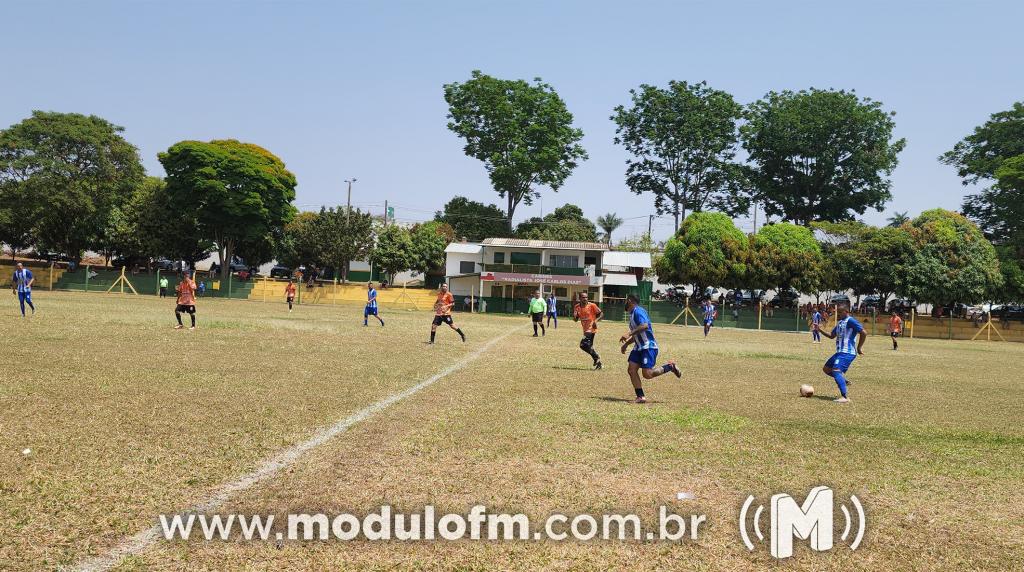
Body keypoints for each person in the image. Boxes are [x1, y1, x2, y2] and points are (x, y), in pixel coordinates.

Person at [619, 294, 681, 403]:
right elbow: (638, 333)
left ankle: (670, 366)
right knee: (631, 370)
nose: (625, 303)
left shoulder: (638, 311)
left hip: (648, 346)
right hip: (638, 347)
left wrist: (628, 333)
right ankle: (640, 397)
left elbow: (644, 326)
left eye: (625, 300)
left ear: (629, 300)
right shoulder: (633, 314)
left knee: (647, 374)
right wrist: (626, 344)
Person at [819, 303, 866, 403]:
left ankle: (845, 397)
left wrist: (859, 348)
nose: (839, 314)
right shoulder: (840, 323)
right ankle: (843, 381)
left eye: (841, 312)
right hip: (840, 352)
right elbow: (831, 336)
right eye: (838, 312)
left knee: (836, 371)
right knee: (826, 369)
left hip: (847, 353)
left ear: (847, 311)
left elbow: (863, 332)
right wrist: (819, 329)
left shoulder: (851, 321)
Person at [573, 292, 603, 370]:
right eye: (583, 297)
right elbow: (575, 320)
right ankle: (598, 362)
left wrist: (595, 321)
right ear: (579, 298)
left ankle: (596, 357)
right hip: (585, 329)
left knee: (583, 344)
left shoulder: (592, 305)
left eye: (586, 297)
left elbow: (601, 314)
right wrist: (575, 316)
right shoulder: (577, 307)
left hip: (591, 328)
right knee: (589, 346)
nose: (585, 299)